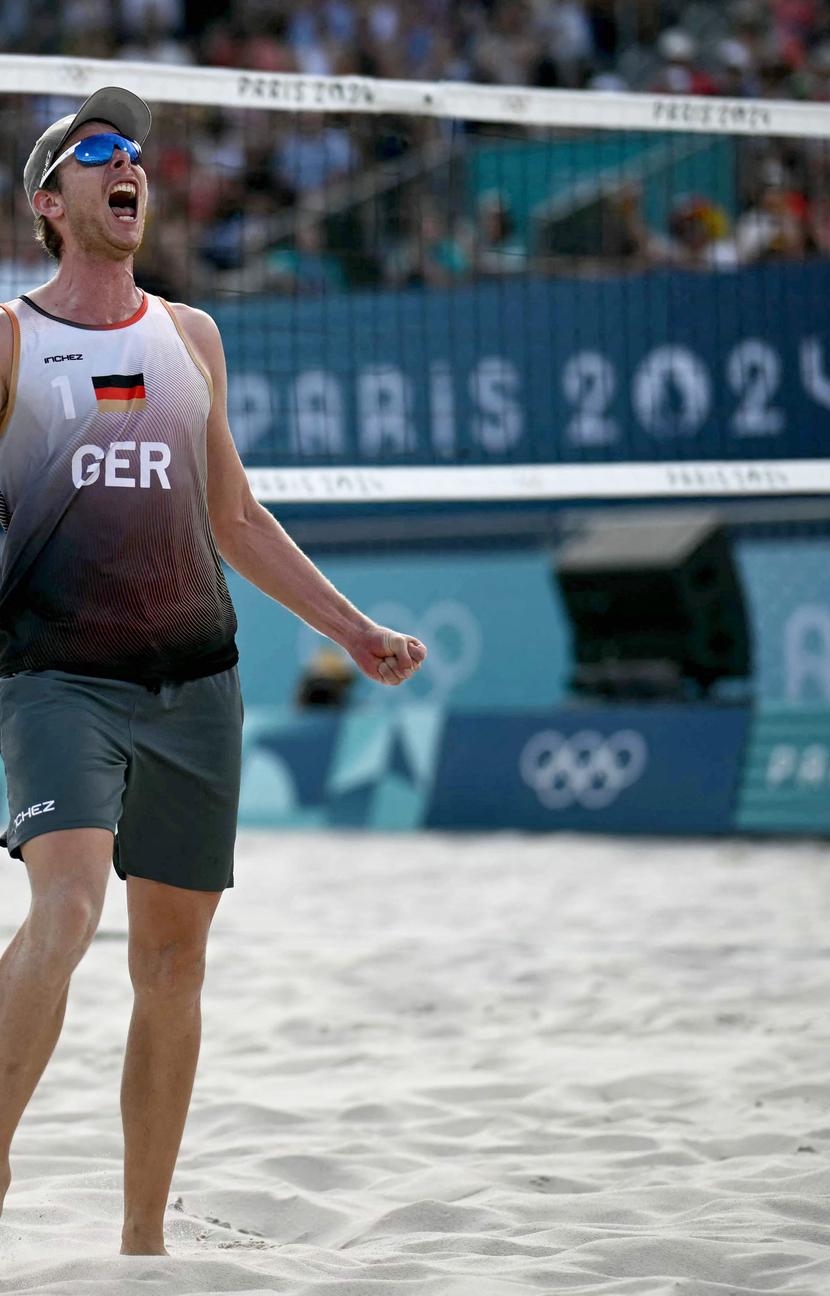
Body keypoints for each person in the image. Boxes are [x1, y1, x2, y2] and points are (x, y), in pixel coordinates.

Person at [0, 88, 427, 1255]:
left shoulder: (191, 337)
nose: (125, 164)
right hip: (58, 676)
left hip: (196, 682)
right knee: (69, 906)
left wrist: (349, 627)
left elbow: (233, 516)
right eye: (96, 153)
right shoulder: (9, 340)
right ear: (51, 201)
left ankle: (143, 1241)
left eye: (136, 152)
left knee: (173, 960)